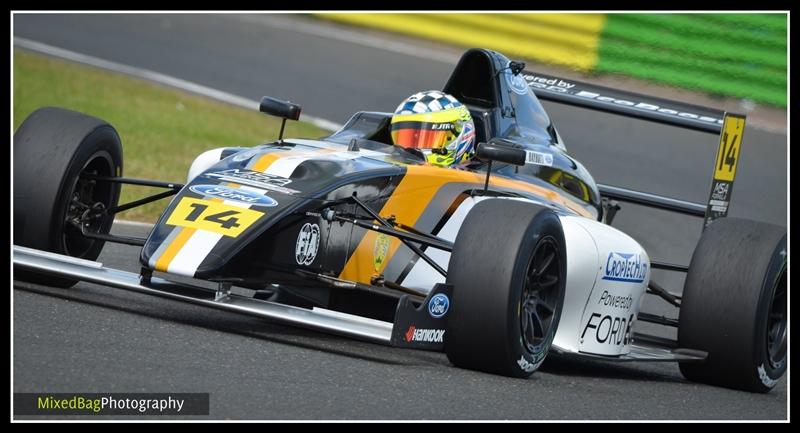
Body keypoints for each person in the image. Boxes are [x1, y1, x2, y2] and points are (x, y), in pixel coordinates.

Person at [389, 90, 476, 168]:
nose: (411, 151)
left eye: (428, 138)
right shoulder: (387, 159)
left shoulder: (479, 181)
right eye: (406, 138)